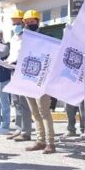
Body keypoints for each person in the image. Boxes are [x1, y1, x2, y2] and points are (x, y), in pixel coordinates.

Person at [21, 10, 56, 154]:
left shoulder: (46, 37)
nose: (30, 24)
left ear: (37, 21)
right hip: (28, 79)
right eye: (27, 22)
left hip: (42, 80)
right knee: (34, 113)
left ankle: (51, 143)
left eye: (32, 22)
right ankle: (40, 140)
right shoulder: (23, 39)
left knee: (44, 112)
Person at [6, 9, 33, 142]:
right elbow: (12, 54)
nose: (15, 26)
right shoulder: (13, 38)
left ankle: (26, 131)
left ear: (23, 23)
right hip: (12, 70)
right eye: (13, 23)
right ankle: (18, 128)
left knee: (24, 103)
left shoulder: (28, 36)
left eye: (17, 23)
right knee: (16, 102)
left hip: (22, 72)